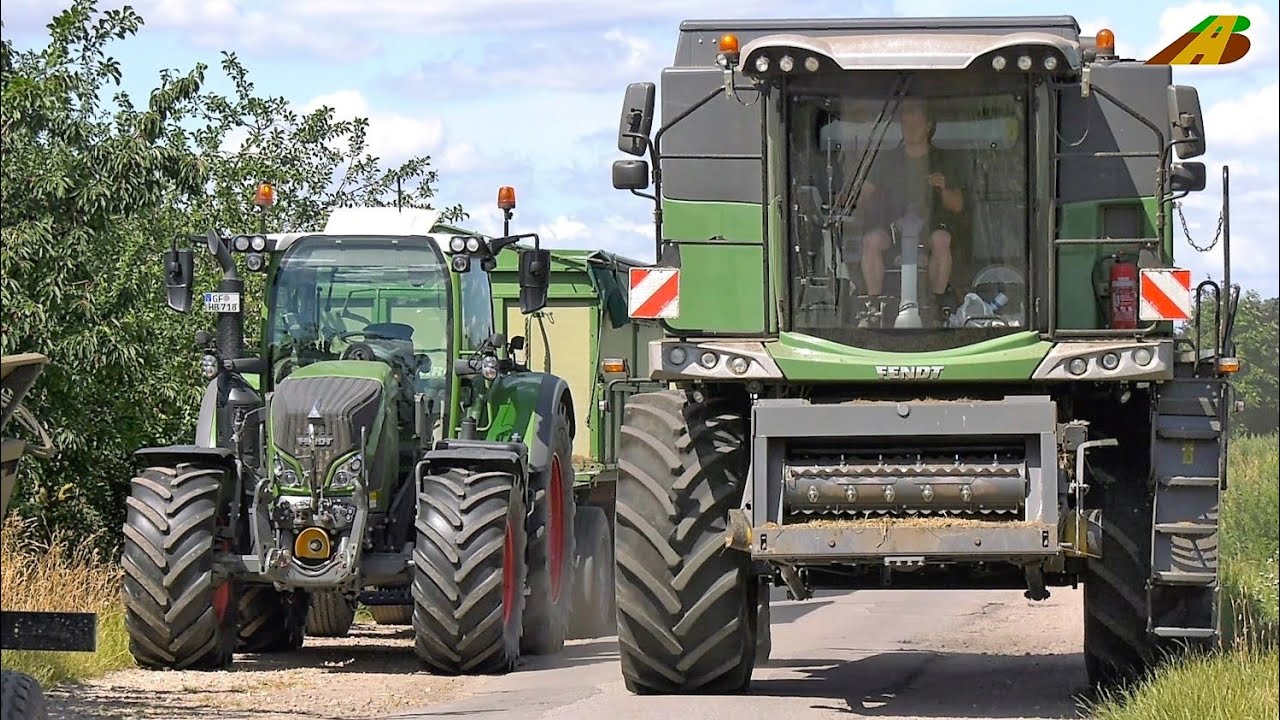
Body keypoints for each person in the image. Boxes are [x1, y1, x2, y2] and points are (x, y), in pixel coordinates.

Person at [844, 96, 966, 324]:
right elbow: (863, 196)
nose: (910, 127)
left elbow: (957, 205)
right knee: (871, 241)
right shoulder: (886, 160)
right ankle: (872, 306)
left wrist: (943, 188)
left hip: (931, 227)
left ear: (929, 125)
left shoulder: (944, 160)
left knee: (941, 240)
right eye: (905, 123)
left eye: (915, 122)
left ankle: (937, 305)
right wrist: (848, 204)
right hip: (892, 229)